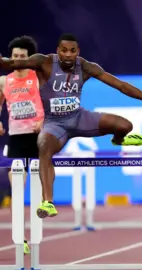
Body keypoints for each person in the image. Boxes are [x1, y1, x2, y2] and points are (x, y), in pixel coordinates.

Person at [0, 33, 142, 219]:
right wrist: (3, 61)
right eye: (64, 50)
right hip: (56, 125)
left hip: (80, 118)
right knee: (44, 146)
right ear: (58, 51)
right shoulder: (44, 62)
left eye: (72, 51)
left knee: (124, 125)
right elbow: (12, 64)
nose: (68, 55)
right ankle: (47, 202)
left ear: (77, 51)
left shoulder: (86, 67)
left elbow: (120, 85)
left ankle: (118, 140)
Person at [0, 35, 42, 255]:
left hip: (38, 140)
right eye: (14, 56)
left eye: (22, 56)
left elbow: (53, 104)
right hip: (15, 142)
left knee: (38, 191)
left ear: (30, 58)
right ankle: (21, 238)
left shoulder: (38, 78)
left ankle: (37, 234)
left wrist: (43, 121)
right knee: (17, 191)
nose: (17, 60)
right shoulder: (4, 81)